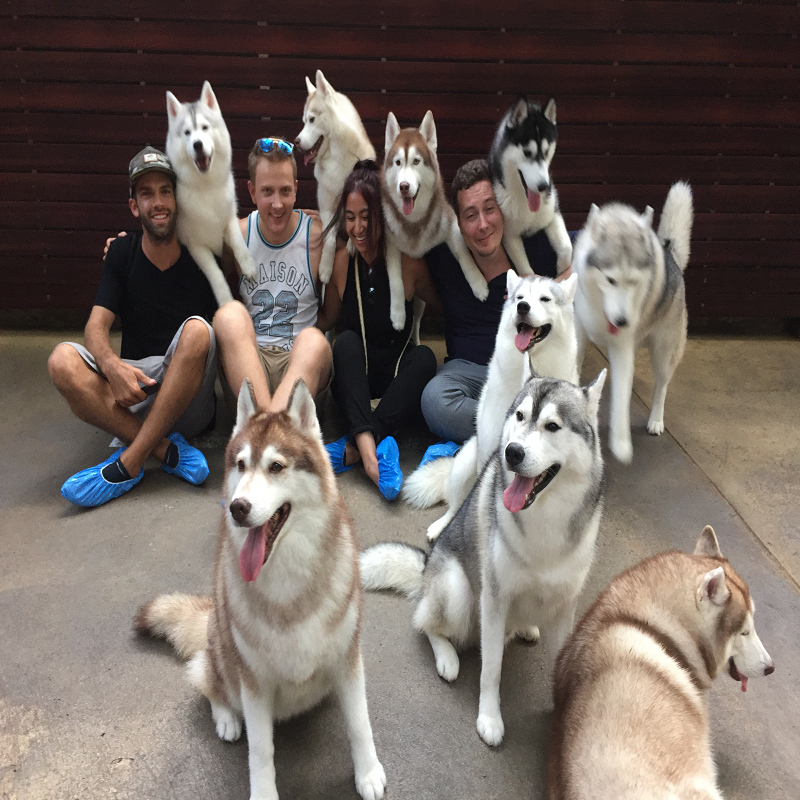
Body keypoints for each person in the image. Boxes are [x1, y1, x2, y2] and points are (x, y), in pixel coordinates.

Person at [48, 146, 218, 507]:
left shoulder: (203, 253)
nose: (158, 202)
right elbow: (96, 327)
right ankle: (161, 449)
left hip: (189, 400)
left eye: (165, 191)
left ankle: (128, 464)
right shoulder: (122, 253)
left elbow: (244, 227)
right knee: (61, 361)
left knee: (199, 331)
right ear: (133, 206)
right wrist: (111, 367)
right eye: (146, 193)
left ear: (178, 200)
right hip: (135, 393)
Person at [420, 158, 572, 454]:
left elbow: (584, 257)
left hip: (524, 372)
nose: (483, 224)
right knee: (434, 400)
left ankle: (498, 439)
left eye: (490, 209)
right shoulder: (444, 255)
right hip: (466, 373)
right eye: (470, 215)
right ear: (459, 223)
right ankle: (523, 436)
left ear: (503, 206)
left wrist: (542, 287)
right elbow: (398, 237)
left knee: (551, 397)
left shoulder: (535, 246)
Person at [316, 160, 439, 500]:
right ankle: (373, 457)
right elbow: (326, 318)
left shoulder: (409, 263)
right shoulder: (343, 261)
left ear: (384, 215)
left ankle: (356, 446)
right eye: (351, 217)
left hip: (396, 382)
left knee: (426, 357)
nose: (357, 227)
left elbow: (443, 305)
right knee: (346, 344)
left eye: (366, 217)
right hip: (357, 383)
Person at [210, 137, 332, 412]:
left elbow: (364, 233)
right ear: (252, 192)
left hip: (301, 367)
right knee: (228, 315)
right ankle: (274, 431)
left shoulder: (319, 236)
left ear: (297, 189)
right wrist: (127, 244)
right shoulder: (237, 235)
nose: (277, 204)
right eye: (267, 192)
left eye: (285, 191)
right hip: (251, 366)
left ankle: (261, 433)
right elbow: (191, 261)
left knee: (314, 340)